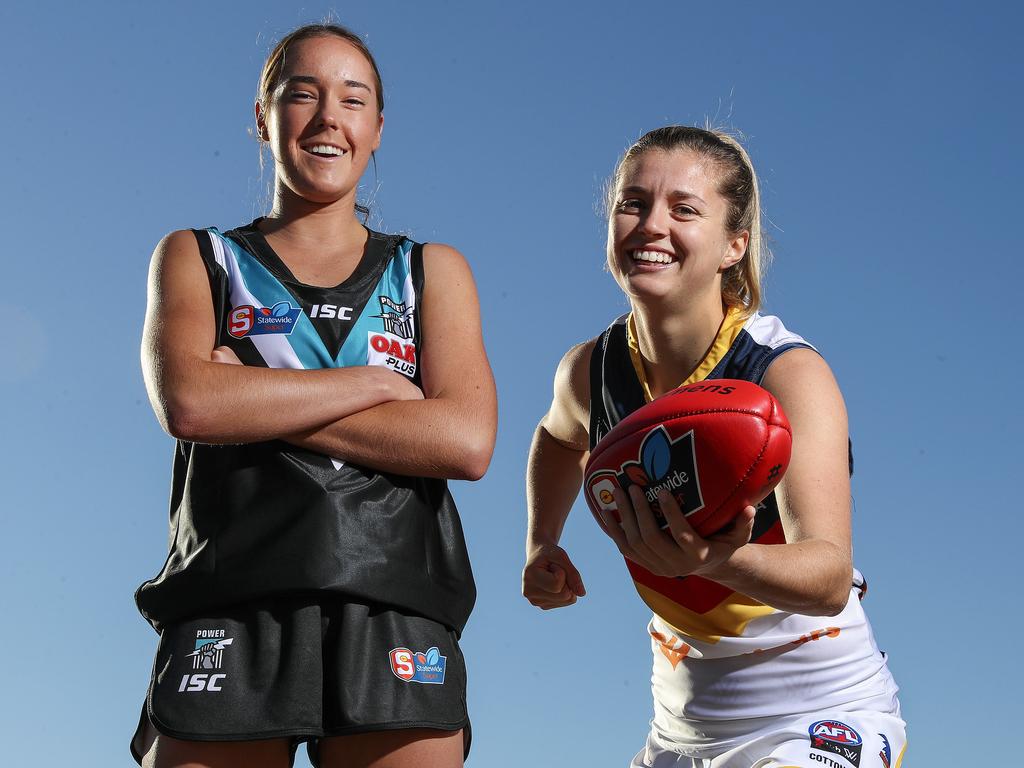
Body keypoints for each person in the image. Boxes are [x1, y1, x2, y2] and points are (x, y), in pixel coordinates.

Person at [132, 23, 497, 768]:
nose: (329, 116)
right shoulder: (199, 256)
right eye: (303, 94)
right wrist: (372, 386)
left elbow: (464, 439)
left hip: (394, 605)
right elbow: (192, 405)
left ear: (377, 129)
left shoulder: (431, 270)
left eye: (352, 99)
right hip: (231, 598)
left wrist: (257, 396)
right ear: (262, 118)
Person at [522, 126, 905, 768]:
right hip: (680, 730)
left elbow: (830, 577)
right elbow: (557, 439)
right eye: (633, 202)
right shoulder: (590, 371)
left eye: (684, 209)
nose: (651, 225)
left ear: (735, 245)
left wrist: (715, 561)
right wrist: (542, 542)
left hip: (818, 714)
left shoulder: (784, 372)